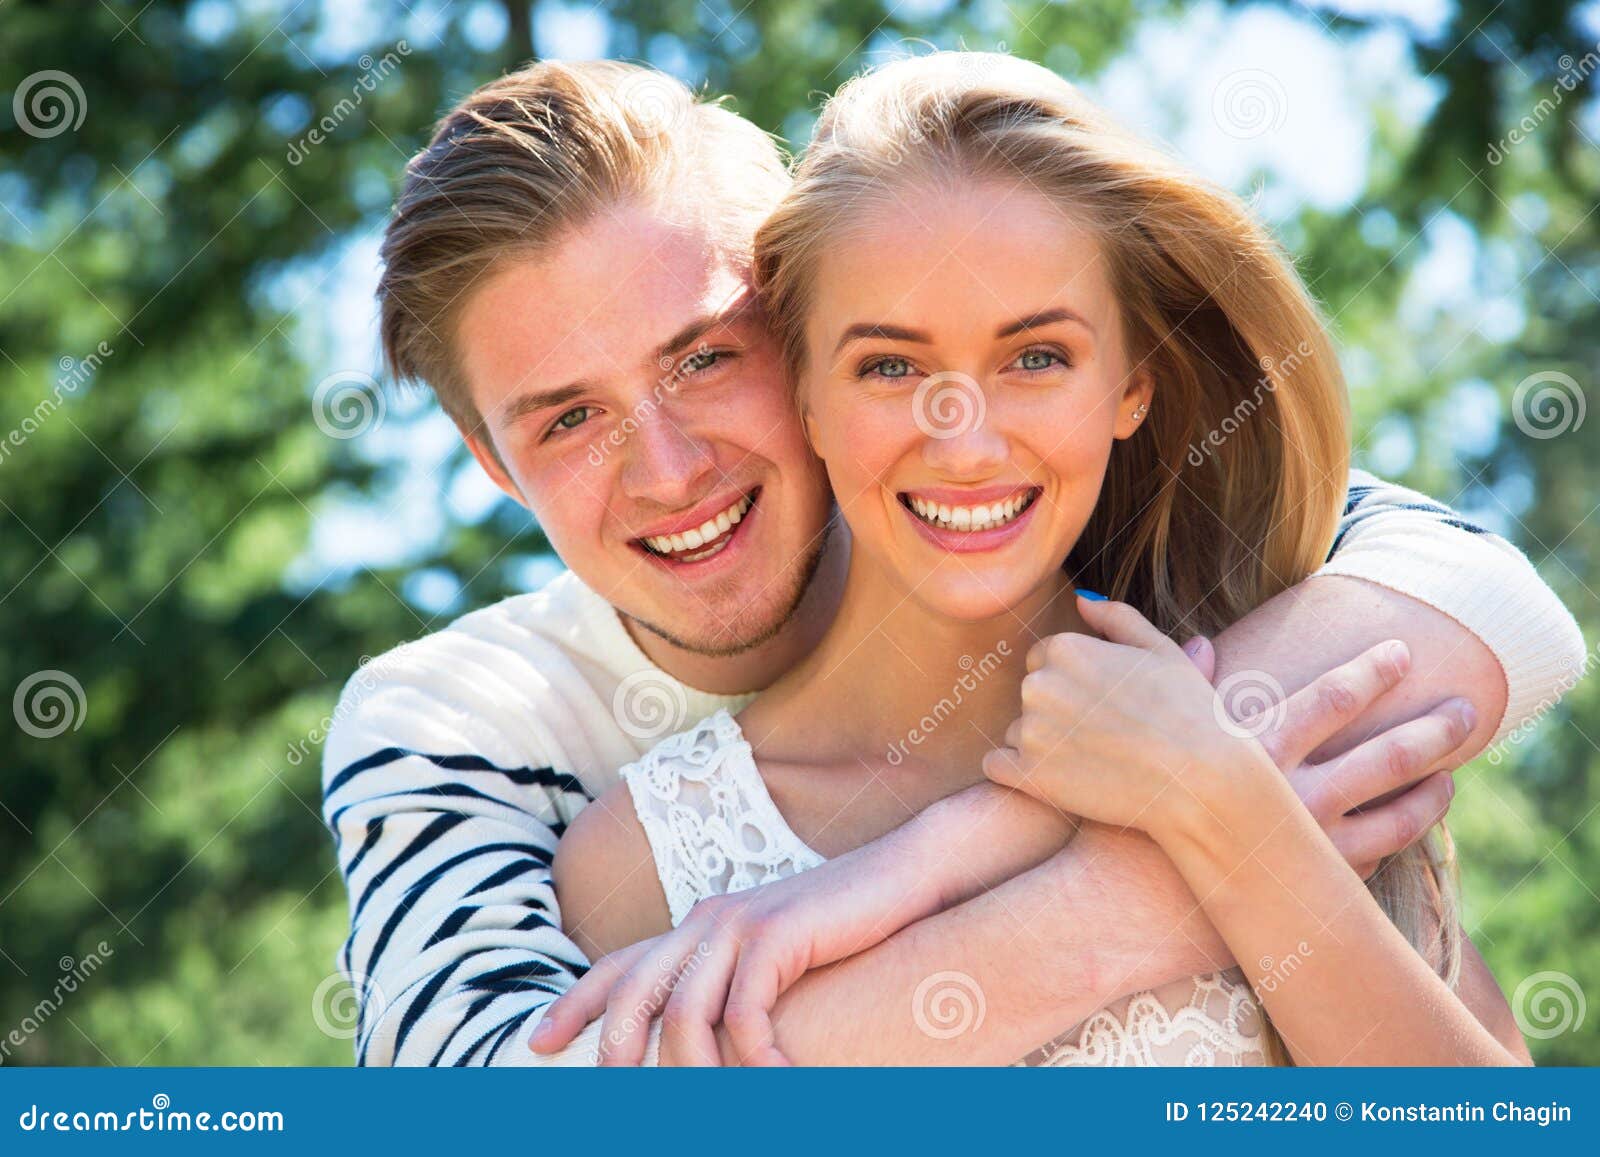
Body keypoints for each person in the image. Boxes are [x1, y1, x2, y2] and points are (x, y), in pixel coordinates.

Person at [323, 59, 1585, 1066]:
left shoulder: (1210, 642)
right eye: (567, 416)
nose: (668, 471)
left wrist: (1047, 824)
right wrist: (1144, 892)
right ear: (491, 461)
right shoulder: (481, 741)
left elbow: (1486, 597)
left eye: (701, 357)